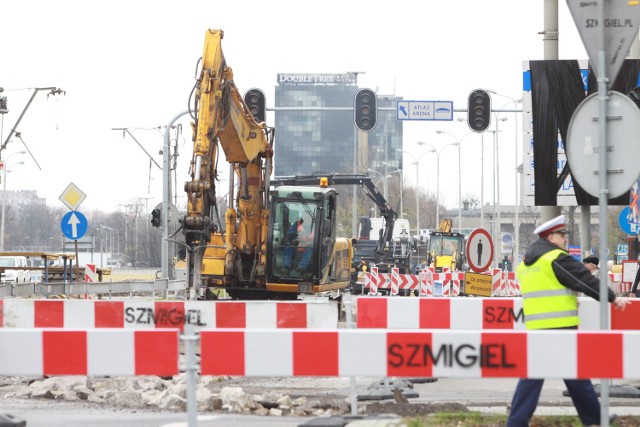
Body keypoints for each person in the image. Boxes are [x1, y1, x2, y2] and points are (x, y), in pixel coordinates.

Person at [507, 214, 629, 427]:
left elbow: (549, 288)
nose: (565, 238)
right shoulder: (555, 257)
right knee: (573, 373)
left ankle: (518, 422)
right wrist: (612, 297)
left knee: (554, 375)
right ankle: (593, 417)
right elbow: (583, 279)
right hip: (561, 327)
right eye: (562, 234)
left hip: (536, 326)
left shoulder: (526, 263)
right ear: (552, 236)